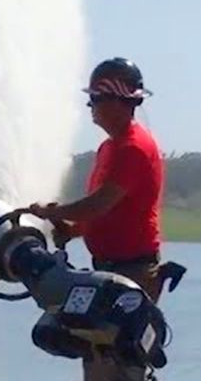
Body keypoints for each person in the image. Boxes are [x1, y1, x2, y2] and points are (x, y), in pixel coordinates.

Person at [26, 58, 166, 300]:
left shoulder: (133, 148)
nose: (90, 105)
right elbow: (105, 212)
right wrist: (72, 230)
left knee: (115, 335)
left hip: (132, 271)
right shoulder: (109, 148)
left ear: (116, 102)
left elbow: (96, 205)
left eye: (96, 99)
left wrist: (52, 213)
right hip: (109, 268)